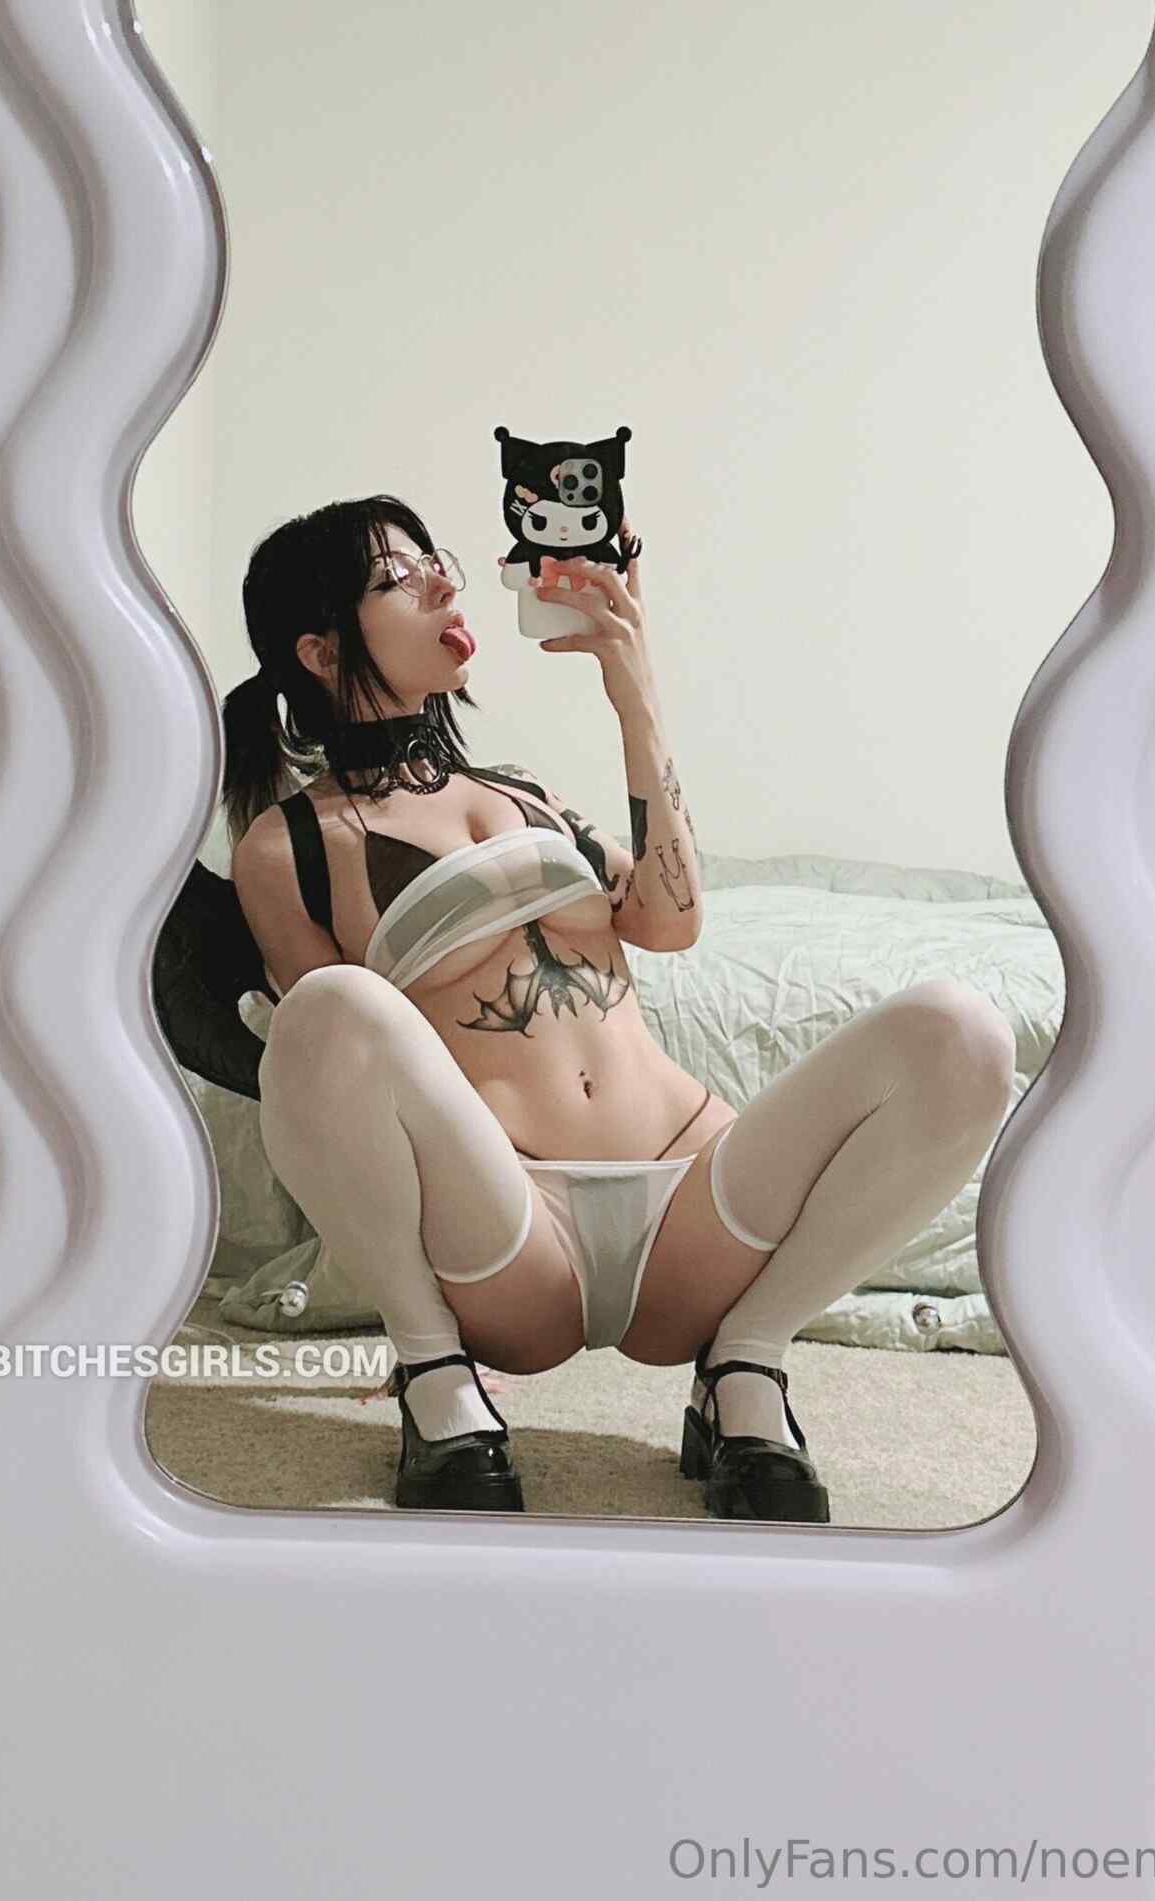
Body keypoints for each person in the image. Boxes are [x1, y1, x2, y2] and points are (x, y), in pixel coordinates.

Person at [222, 495, 1016, 1522]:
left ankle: (747, 1359)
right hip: (511, 1233)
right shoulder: (286, 846)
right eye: (396, 578)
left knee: (961, 1032)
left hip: (695, 1210)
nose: (445, 582)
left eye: (437, 561)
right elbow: (330, 1080)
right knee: (325, 1007)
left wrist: (633, 693)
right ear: (321, 651)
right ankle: (431, 1369)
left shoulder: (526, 794)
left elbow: (670, 920)